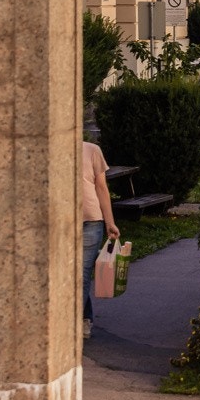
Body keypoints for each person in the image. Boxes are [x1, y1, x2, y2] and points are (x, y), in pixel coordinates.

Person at [80, 140, 119, 339]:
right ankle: (85, 317)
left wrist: (109, 222)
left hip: (91, 221)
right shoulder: (51, 149)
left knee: (81, 274)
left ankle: (76, 322)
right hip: (60, 224)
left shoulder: (92, 150)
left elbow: (102, 188)